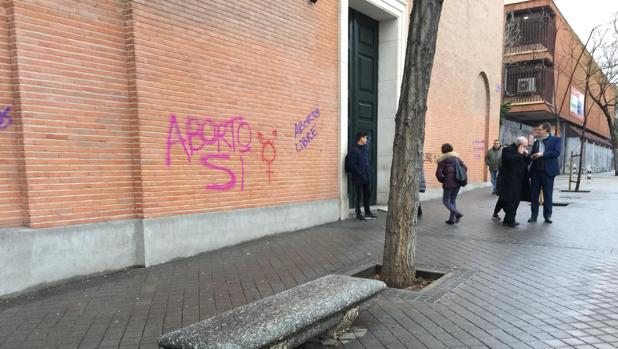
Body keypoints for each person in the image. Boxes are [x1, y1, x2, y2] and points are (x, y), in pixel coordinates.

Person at [529, 122, 561, 224]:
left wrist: (542, 154)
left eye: (539, 129)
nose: (538, 131)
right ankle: (534, 216)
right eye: (538, 130)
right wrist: (531, 155)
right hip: (536, 172)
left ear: (546, 130)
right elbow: (533, 154)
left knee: (548, 194)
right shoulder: (536, 142)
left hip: (548, 172)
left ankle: (547, 216)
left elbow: (556, 153)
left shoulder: (556, 140)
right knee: (534, 195)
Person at [497, 136, 530, 227]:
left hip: (520, 181)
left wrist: (527, 155)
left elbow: (527, 163)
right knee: (511, 201)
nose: (526, 148)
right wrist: (519, 154)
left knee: (516, 201)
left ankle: (507, 220)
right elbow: (511, 160)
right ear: (520, 145)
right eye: (525, 146)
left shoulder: (522, 152)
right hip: (510, 181)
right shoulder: (507, 150)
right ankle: (511, 221)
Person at [349, 131, 378, 222]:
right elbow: (352, 165)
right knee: (359, 196)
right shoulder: (354, 150)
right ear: (361, 138)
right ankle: (358, 215)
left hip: (366, 176)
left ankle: (367, 212)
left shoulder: (364, 148)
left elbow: (365, 162)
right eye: (365, 137)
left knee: (367, 194)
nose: (366, 139)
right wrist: (360, 173)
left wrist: (368, 172)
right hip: (358, 177)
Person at [435, 143, 467, 225]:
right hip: (458, 182)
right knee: (452, 200)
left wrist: (443, 180)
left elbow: (438, 174)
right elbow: (465, 168)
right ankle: (451, 219)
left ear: (443, 151)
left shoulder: (441, 160)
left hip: (448, 183)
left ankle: (457, 213)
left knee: (445, 201)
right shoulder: (456, 158)